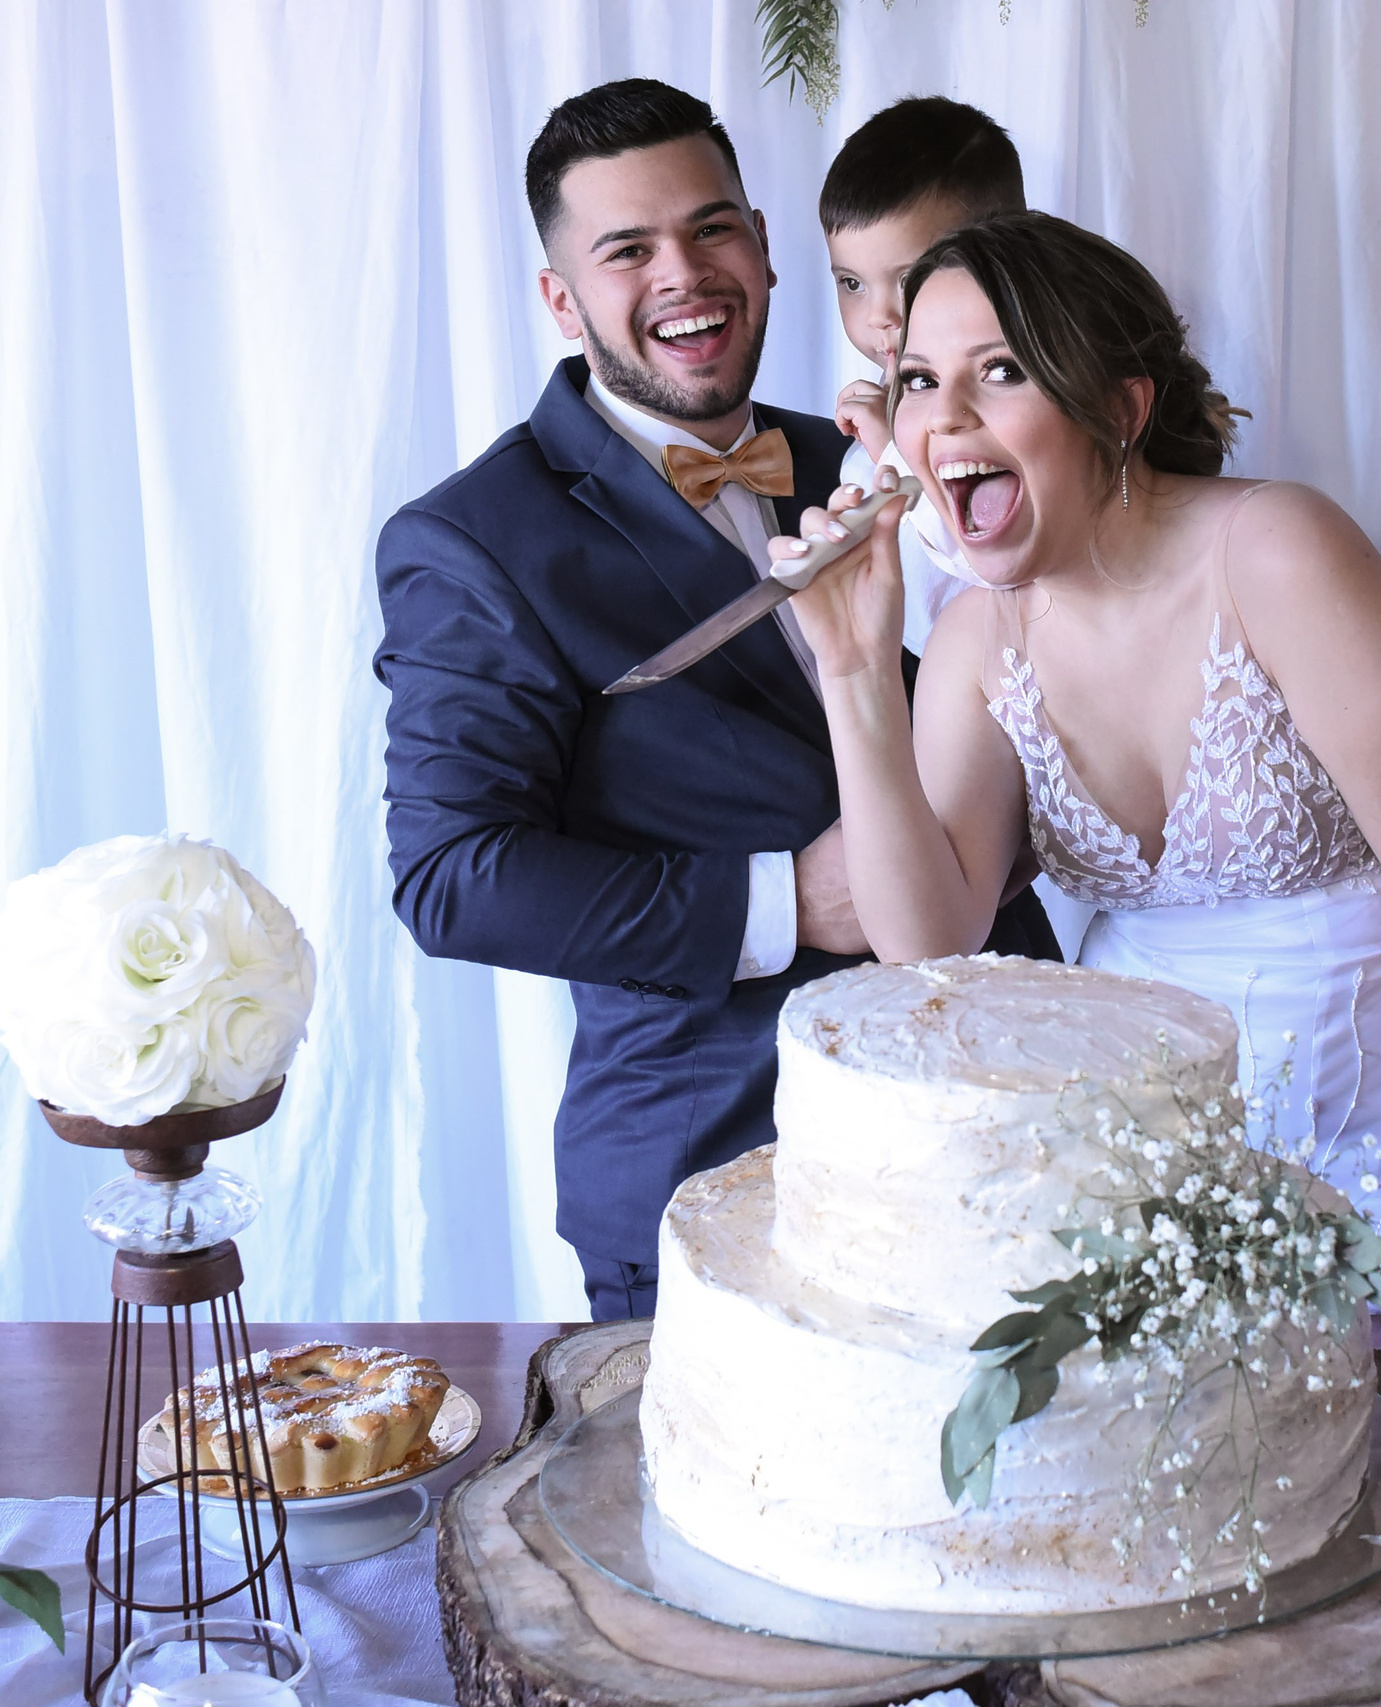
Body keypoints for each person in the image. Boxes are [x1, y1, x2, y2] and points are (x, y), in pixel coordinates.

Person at [777, 212, 1381, 1355]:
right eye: (917, 379)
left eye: (997, 371)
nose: (942, 417)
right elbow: (930, 947)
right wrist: (851, 671)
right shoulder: (973, 641)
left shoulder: (1277, 554)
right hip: (1138, 1176)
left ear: (1121, 409)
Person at [374, 82, 1056, 1323]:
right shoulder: (473, 540)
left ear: (764, 245)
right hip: (722, 1162)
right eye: (627, 250)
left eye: (711, 229)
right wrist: (789, 900)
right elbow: (452, 875)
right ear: (560, 298)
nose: (683, 273)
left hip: (1011, 1130)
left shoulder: (887, 448)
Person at [818, 96, 1025, 657]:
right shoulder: (861, 436)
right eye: (851, 283)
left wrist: (899, 454)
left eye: (911, 277)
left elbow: (999, 572)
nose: (878, 315)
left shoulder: (1022, 414)